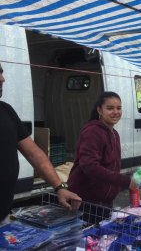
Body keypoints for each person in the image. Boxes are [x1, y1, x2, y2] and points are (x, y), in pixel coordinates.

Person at [0, 63, 81, 223]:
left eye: (2, 73)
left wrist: (60, 187)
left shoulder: (6, 110)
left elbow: (34, 154)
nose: (3, 79)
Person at [67, 92, 136, 211]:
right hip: (84, 200)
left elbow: (111, 167)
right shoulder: (93, 132)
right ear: (99, 110)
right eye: (110, 108)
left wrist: (128, 178)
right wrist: (124, 181)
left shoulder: (114, 134)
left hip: (104, 201)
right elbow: (90, 166)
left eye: (119, 108)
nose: (116, 112)